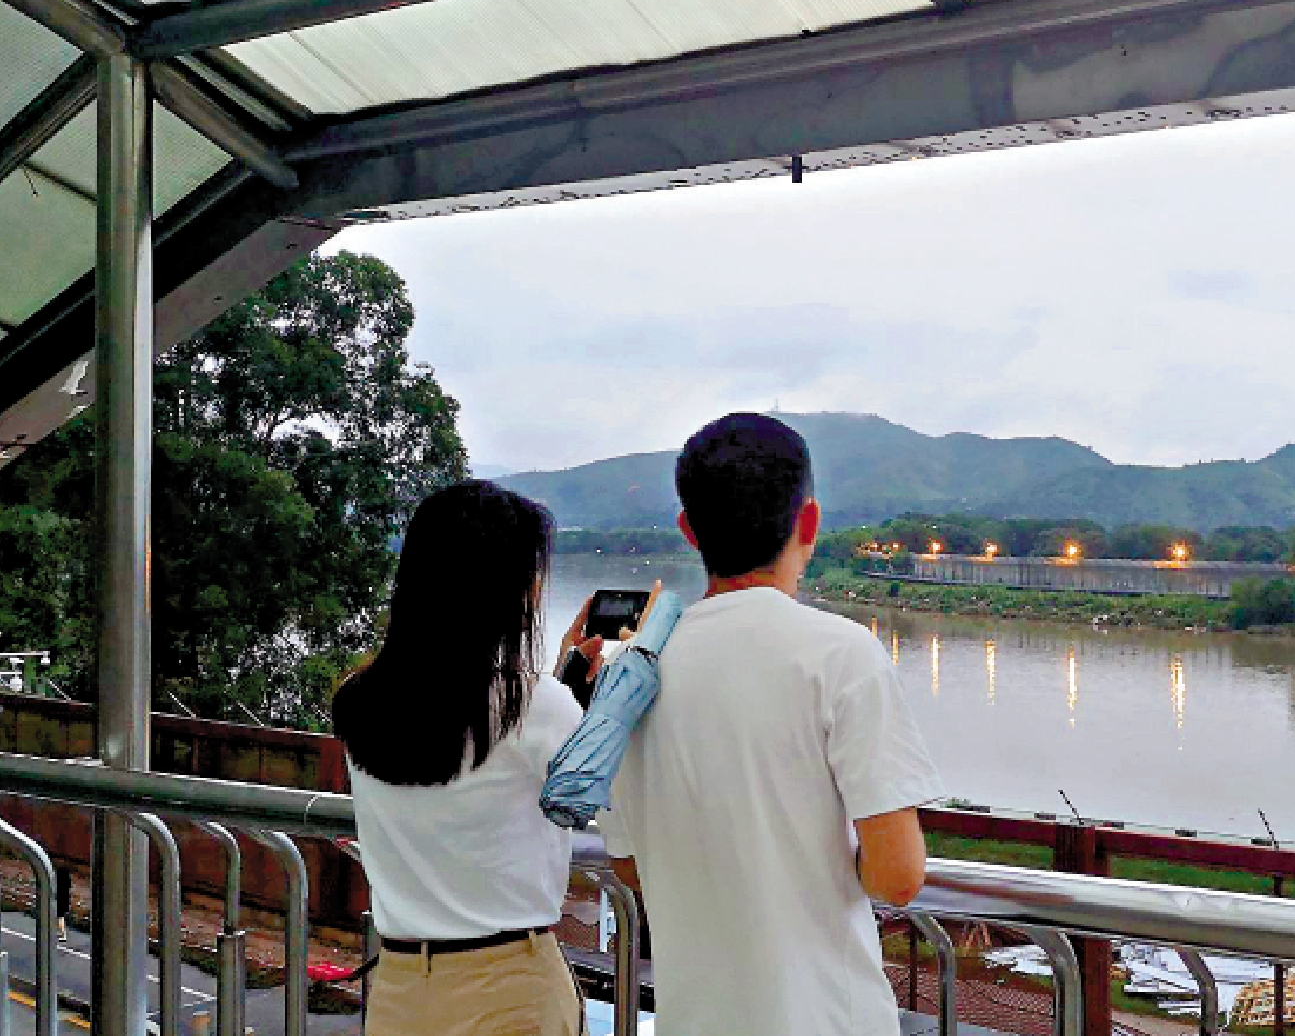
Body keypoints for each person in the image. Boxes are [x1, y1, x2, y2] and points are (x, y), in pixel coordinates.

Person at [599, 413, 943, 1035]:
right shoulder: (842, 654)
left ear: (689, 530)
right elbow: (898, 876)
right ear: (808, 522)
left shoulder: (631, 672)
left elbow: (629, 867)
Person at [333, 480, 603, 1036]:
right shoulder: (537, 707)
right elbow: (606, 796)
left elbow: (466, 746)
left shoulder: (360, 701)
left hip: (401, 991)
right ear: (500, 586)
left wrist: (561, 677)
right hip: (510, 989)